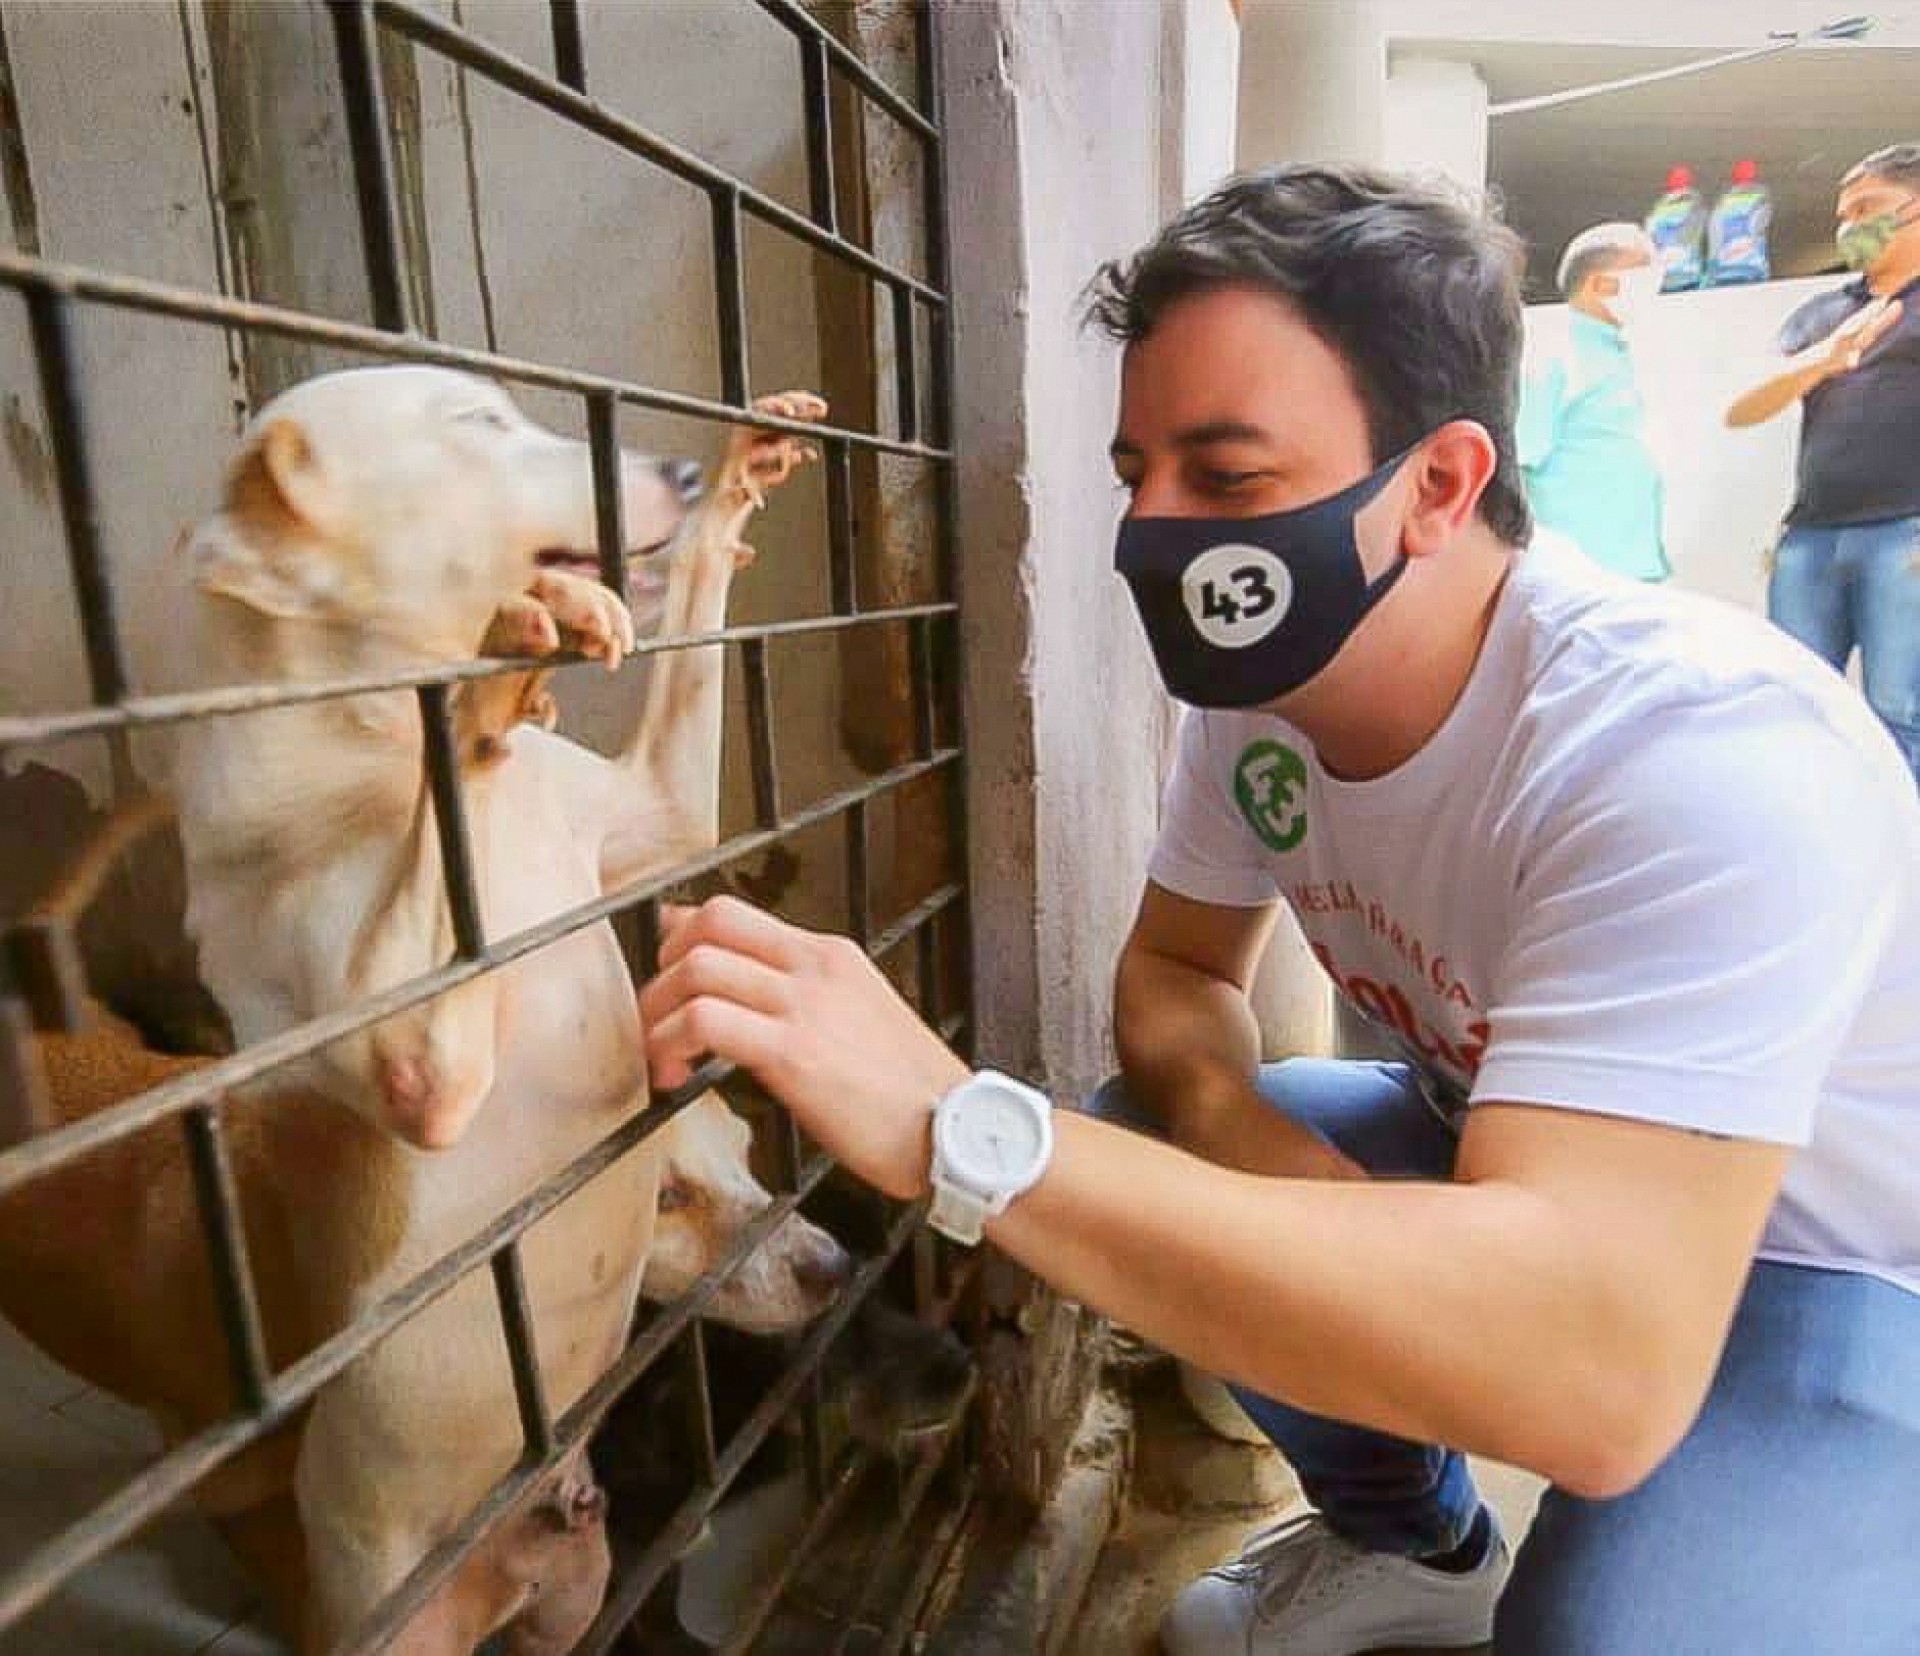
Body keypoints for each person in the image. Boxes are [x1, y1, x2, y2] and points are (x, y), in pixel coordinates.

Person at [640, 165, 1920, 1654]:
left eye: (1228, 478)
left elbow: (1595, 1384)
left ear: (1438, 484)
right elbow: (1176, 973)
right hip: (1517, 1142)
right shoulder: (1270, 694)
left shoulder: (1690, 751)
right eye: (1139, 473)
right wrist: (1252, 1151)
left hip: (1831, 1251)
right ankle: (1417, 1543)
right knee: (1147, 1129)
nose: (1160, 533)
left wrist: (958, 1126)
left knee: (1607, 1634)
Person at [1727, 142, 1920, 787]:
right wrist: (1825, 358)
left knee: (1900, 712)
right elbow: (1742, 407)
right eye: (1843, 214)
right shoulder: (1822, 312)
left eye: (1867, 209)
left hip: (1907, 538)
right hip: (1809, 539)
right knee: (1794, 708)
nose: (1849, 225)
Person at [1515, 221, 1671, 582]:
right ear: (1599, 283)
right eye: (1643, 276)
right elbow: (1517, 463)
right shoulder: (1554, 351)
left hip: (1632, 567)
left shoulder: (1618, 355)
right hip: (1578, 572)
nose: (1654, 288)